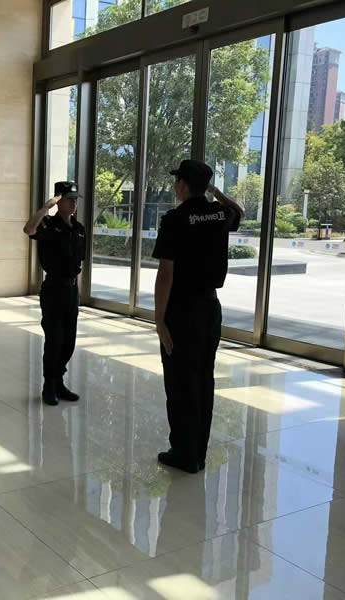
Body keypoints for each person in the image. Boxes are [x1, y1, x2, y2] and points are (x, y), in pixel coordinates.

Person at [153, 160, 244, 474]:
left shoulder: (175, 219)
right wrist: (215, 192)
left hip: (182, 310)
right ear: (204, 186)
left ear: (182, 185)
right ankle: (199, 452)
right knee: (204, 379)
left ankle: (184, 454)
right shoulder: (220, 214)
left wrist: (159, 320)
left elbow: (166, 273)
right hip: (209, 308)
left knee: (180, 382)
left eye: (177, 181)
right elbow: (239, 211)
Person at [23, 181, 86, 406]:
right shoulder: (47, 224)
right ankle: (49, 385)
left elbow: (79, 260)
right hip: (53, 289)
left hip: (71, 290)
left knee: (69, 341)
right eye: (69, 199)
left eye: (76, 199)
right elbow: (28, 229)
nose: (74, 203)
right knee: (54, 340)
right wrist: (45, 207)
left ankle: (59, 381)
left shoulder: (79, 229)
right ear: (59, 201)